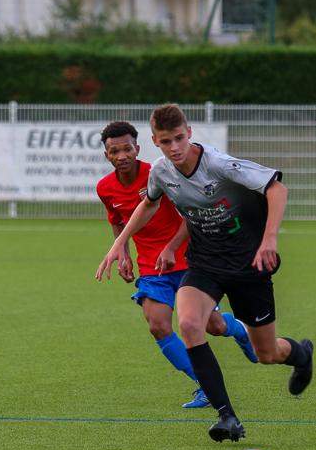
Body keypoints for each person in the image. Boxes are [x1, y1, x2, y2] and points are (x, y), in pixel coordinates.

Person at [96, 104, 314, 443]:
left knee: (265, 353)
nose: (175, 148)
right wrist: (119, 244)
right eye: (166, 142)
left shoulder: (219, 164)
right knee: (188, 324)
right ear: (155, 141)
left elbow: (276, 188)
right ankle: (227, 416)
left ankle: (301, 354)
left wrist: (269, 239)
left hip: (247, 264)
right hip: (204, 263)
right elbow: (149, 203)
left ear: (190, 133)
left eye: (179, 139)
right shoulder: (160, 171)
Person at [96, 121, 260, 410]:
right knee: (158, 325)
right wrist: (123, 253)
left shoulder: (161, 173)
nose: (121, 155)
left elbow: (192, 213)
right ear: (106, 155)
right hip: (151, 269)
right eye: (114, 151)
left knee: (215, 326)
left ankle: (241, 332)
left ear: (137, 147)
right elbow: (119, 222)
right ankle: (204, 385)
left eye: (126, 148)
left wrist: (172, 247)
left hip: (189, 261)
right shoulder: (105, 188)